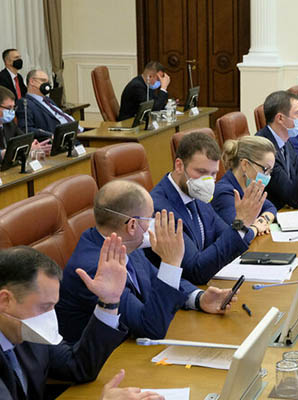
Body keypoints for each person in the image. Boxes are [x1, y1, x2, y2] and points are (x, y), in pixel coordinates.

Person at [57, 180, 239, 342]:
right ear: (132, 225)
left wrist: (199, 298)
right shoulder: (94, 268)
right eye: (150, 217)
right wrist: (171, 263)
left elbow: (154, 278)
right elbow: (150, 327)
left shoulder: (122, 243)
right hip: (105, 362)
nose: (153, 223)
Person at [0, 239, 129, 399]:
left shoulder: (25, 330)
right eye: (44, 307)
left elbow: (78, 367)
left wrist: (109, 302)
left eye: (53, 306)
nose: (50, 317)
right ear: (5, 301)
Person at [150, 131, 255, 285]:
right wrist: (241, 224)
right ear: (179, 166)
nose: (208, 181)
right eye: (201, 172)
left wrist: (242, 225)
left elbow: (226, 234)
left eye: (213, 173)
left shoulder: (197, 193)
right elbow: (196, 271)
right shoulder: (159, 209)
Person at [255, 90, 298, 210]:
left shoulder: (286, 141)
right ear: (280, 118)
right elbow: (294, 199)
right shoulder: (263, 149)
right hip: (272, 213)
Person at [212, 136, 278, 233]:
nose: (267, 176)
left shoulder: (250, 187)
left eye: (270, 171)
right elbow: (239, 232)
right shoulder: (224, 193)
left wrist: (263, 220)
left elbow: (270, 207)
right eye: (265, 169)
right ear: (245, 165)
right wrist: (256, 228)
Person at [15, 69, 80, 141]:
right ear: (32, 82)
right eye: (43, 81)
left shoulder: (48, 100)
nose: (47, 85)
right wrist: (49, 135)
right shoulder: (24, 103)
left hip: (76, 132)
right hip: (61, 138)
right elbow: (26, 129)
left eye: (48, 82)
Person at [0, 87, 50, 161]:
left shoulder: (9, 124)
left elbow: (24, 139)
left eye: (13, 108)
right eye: (9, 108)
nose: (12, 112)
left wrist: (33, 146)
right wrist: (5, 153)